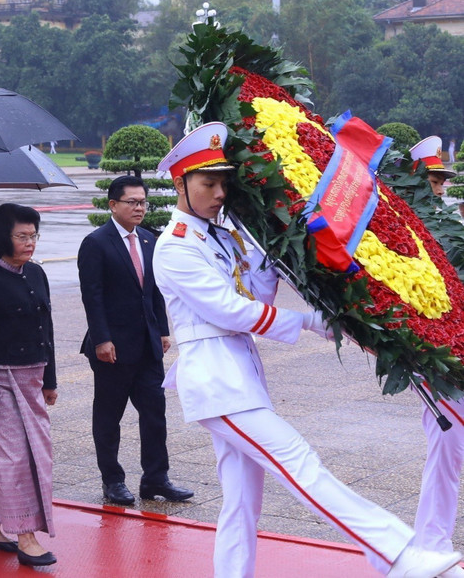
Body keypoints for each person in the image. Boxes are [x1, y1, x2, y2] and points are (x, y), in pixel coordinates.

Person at [152, 121, 462, 578]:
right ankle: (397, 552)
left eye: (223, 183)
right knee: (300, 464)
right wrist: (312, 322)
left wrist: (274, 245)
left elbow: (257, 295)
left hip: (236, 373)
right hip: (216, 380)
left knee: (240, 504)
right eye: (208, 183)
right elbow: (231, 311)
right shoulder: (175, 246)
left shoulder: (220, 235)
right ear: (181, 183)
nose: (219, 193)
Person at [77, 175, 193, 506]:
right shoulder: (96, 243)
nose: (139, 207)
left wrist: (162, 329)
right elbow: (92, 296)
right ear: (113, 205)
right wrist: (102, 339)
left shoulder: (148, 240)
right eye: (132, 202)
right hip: (112, 348)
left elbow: (154, 289)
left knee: (155, 413)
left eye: (143, 202)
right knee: (109, 417)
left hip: (147, 345)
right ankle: (112, 480)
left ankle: (155, 478)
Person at [0, 203, 58, 567]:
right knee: (14, 458)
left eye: (33, 235)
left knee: (24, 456)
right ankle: (26, 535)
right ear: (3, 236)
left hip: (32, 377)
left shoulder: (35, 274)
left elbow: (46, 331)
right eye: (22, 236)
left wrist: (50, 379)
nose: (30, 242)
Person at [410, 136, 464, 577]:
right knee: (447, 447)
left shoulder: (449, 220)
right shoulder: (408, 227)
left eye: (444, 181)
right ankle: (431, 541)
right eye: (433, 180)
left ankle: (433, 537)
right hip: (436, 352)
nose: (441, 189)